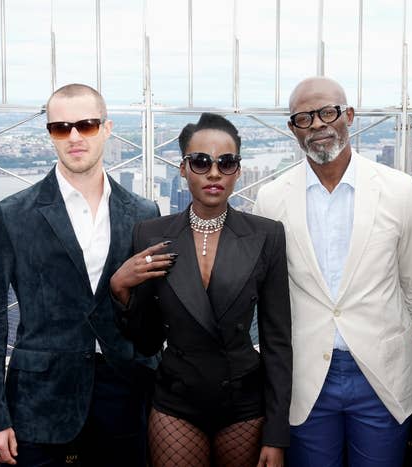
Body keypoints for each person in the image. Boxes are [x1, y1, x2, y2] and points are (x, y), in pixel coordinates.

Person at [0, 83, 160, 466]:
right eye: (60, 127)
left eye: (85, 125)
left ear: (107, 128)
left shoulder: (142, 212)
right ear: (50, 134)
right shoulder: (12, 214)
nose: (73, 136)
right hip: (38, 403)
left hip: (124, 397)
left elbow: (153, 314)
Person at [253, 77, 412, 466]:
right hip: (306, 378)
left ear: (348, 116)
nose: (317, 124)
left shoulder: (401, 192)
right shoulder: (269, 199)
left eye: (328, 112)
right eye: (304, 118)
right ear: (292, 129)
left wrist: (380, 334)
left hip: (381, 376)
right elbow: (271, 294)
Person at [111, 112, 292, 467]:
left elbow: (278, 342)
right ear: (183, 169)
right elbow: (146, 342)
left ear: (238, 170)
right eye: (200, 162)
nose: (213, 173)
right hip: (176, 400)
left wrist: (277, 433)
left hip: (243, 400)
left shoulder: (267, 235)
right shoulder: (150, 234)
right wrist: (120, 290)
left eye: (226, 163)